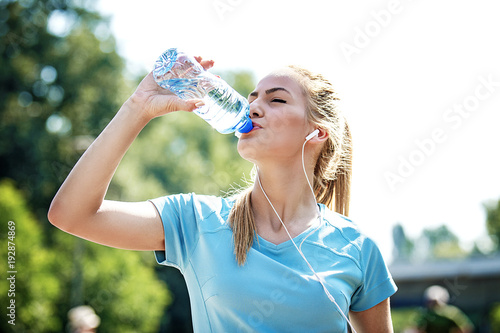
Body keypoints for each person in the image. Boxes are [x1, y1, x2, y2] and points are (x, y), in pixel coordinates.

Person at [48, 56, 398, 332]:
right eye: (252, 98)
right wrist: (138, 107)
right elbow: (72, 214)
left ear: (317, 132)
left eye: (276, 100)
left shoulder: (356, 248)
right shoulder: (197, 221)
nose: (254, 107)